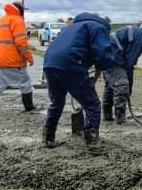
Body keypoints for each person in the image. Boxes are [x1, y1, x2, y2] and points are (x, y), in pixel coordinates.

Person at [42, 12, 114, 149]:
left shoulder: (71, 27)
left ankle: (48, 138)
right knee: (92, 104)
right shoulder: (98, 27)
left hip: (50, 62)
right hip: (70, 63)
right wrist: (104, 65)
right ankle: (92, 142)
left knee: (56, 102)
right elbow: (103, 52)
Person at [0, 2, 35, 114]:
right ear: (21, 11)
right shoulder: (17, 20)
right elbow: (21, 43)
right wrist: (29, 57)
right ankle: (29, 106)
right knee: (25, 82)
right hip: (12, 60)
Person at [103, 25, 142, 124]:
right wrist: (129, 84)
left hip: (109, 54)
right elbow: (130, 61)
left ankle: (107, 115)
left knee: (111, 85)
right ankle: (120, 119)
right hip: (113, 56)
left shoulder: (141, 34)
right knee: (122, 84)